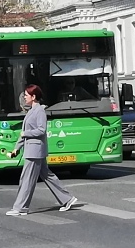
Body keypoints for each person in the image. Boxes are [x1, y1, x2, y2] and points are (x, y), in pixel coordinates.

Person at [6, 85, 82, 216]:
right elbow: (22, 134)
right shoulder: (31, 111)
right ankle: (68, 199)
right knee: (47, 176)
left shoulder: (40, 111)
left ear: (33, 97)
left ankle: (21, 208)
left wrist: (26, 134)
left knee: (27, 179)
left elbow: (41, 130)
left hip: (35, 150)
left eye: (26, 95)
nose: (24, 97)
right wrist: (16, 149)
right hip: (33, 149)